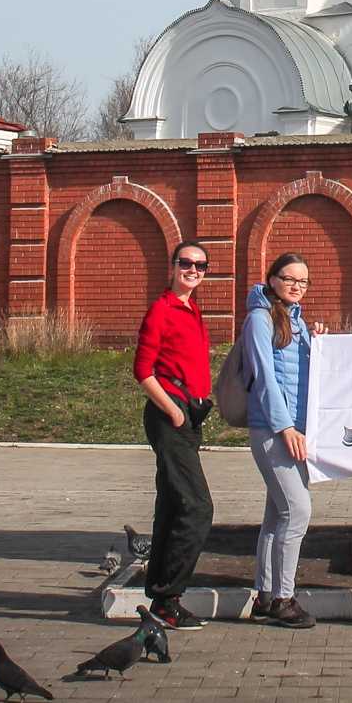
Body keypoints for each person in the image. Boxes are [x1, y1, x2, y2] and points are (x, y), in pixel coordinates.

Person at [132, 241, 215, 632]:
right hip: (171, 417)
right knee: (197, 507)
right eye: (187, 263)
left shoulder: (192, 309)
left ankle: (160, 595)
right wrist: (173, 410)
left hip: (189, 416)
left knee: (171, 504)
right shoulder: (161, 310)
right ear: (173, 265)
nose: (193, 270)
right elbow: (143, 370)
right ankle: (169, 598)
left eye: (200, 266)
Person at [241, 252, 325, 629]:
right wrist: (285, 427)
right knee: (298, 510)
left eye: (303, 281)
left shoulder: (298, 322)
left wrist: (317, 342)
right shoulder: (259, 319)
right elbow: (263, 378)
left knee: (277, 515)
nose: (296, 286)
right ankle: (284, 599)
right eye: (290, 278)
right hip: (273, 431)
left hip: (297, 431)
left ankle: (264, 595)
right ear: (272, 279)